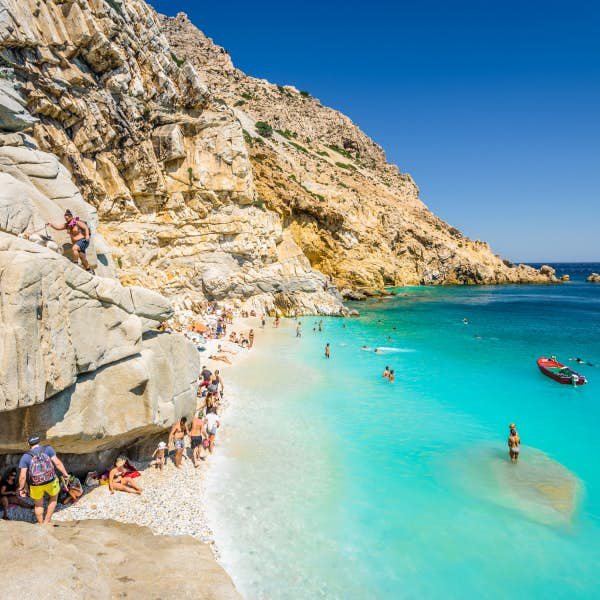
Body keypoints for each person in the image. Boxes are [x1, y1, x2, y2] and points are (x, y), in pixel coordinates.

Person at [18, 434, 69, 525]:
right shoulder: (48, 449)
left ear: (29, 444)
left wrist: (22, 489)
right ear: (39, 441)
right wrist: (65, 474)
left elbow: (22, 476)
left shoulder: (25, 456)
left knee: (38, 504)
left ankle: (41, 524)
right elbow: (57, 463)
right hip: (51, 480)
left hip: (35, 484)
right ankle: (47, 522)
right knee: (53, 498)